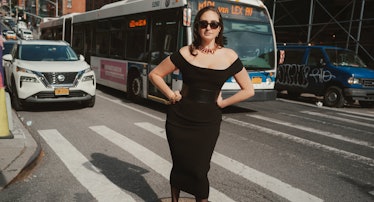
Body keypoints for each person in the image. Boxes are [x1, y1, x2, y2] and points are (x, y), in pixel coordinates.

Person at [149, 6, 254, 202]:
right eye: (204, 23)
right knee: (180, 164)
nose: (208, 28)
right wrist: (171, 94)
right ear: (197, 27)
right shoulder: (186, 52)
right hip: (179, 118)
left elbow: (249, 90)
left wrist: (223, 103)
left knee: (200, 169)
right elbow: (155, 74)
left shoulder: (229, 56)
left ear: (220, 28)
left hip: (208, 121)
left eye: (213, 24)